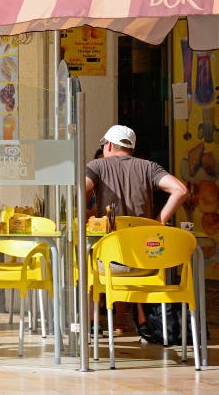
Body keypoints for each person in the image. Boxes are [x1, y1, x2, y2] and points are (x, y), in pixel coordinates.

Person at [85, 124, 188, 335]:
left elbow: (78, 187)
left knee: (85, 261)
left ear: (110, 145)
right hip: (148, 264)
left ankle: (92, 323)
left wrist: (88, 207)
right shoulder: (150, 167)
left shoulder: (97, 166)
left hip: (111, 267)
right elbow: (181, 190)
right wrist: (158, 222)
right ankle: (142, 322)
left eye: (103, 144)